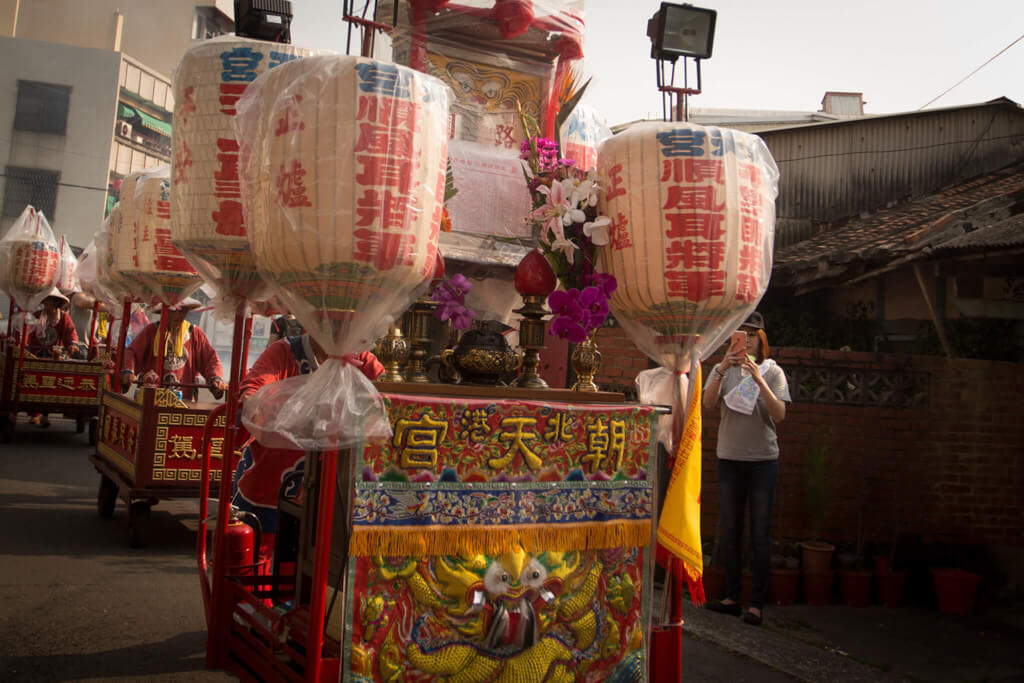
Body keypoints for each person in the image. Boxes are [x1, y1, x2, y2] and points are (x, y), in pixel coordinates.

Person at [231, 332, 383, 560]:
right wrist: (264, 404)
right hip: (271, 487)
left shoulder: (360, 358)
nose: (336, 328)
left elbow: (389, 391)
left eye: (344, 324)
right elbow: (254, 390)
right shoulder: (284, 352)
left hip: (335, 492)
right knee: (264, 565)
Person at [702, 311, 791, 626]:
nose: (746, 341)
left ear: (761, 340)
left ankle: (755, 606)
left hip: (762, 462)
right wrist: (723, 368)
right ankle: (731, 597)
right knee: (730, 531)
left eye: (752, 335)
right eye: (740, 336)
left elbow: (779, 414)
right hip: (729, 458)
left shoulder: (772, 372)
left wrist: (757, 378)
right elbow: (708, 404)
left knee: (760, 534)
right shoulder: (721, 370)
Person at [120, 298, 227, 401]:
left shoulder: (194, 333)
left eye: (182, 311)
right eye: (173, 311)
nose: (178, 315)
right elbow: (132, 352)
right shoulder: (151, 330)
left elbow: (210, 359)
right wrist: (129, 371)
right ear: (164, 312)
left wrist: (215, 378)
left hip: (185, 397)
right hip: (152, 395)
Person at [24, 288, 80, 360]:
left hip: (56, 357)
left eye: (48, 300)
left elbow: (71, 332)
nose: (45, 302)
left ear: (56, 302)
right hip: (35, 356)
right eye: (44, 299)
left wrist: (72, 345)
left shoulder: (63, 317)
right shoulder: (37, 315)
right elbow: (28, 333)